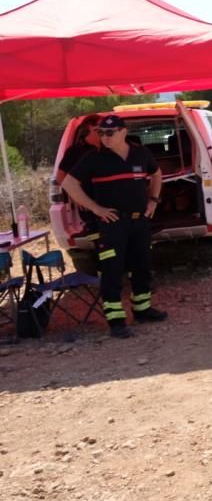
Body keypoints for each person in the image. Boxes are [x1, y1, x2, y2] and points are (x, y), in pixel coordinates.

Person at [61, 114, 169, 339]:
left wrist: (154, 201)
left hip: (139, 221)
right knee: (112, 271)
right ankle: (116, 321)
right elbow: (68, 184)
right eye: (100, 133)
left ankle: (142, 309)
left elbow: (156, 174)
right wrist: (96, 208)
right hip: (112, 224)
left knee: (142, 266)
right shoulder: (94, 158)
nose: (104, 137)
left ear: (123, 132)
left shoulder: (141, 153)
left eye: (109, 133)